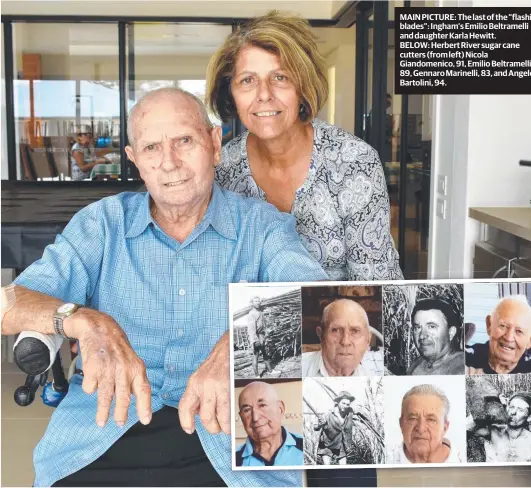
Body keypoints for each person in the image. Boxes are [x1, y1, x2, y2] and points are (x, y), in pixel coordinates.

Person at [1, 87, 328, 488]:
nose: (169, 163)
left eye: (184, 141)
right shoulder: (103, 224)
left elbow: (318, 299)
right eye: (152, 147)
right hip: (106, 426)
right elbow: (8, 303)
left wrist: (237, 349)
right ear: (135, 160)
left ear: (213, 143)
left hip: (225, 429)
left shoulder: (262, 227)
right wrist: (83, 320)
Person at [207, 11, 402, 283]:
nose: (264, 95)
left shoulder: (353, 162)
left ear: (302, 86)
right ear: (231, 93)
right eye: (247, 80)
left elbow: (377, 283)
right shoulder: (221, 169)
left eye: (280, 77)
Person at [303, 299, 384, 377]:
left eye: (355, 331)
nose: (345, 342)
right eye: (336, 330)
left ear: (368, 339)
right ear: (321, 335)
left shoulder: (381, 368)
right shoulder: (298, 368)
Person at [388, 384, 462, 464]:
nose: (421, 428)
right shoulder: (385, 460)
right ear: (401, 424)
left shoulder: (464, 460)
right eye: (412, 419)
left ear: (444, 428)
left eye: (431, 420)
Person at [466, 295, 531, 375]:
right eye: (503, 326)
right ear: (489, 325)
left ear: (530, 340)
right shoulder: (464, 359)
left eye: (519, 331)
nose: (509, 338)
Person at [236, 381, 303, 467]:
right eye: (247, 410)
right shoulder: (233, 459)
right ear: (241, 417)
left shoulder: (309, 448)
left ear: (280, 409)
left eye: (262, 405)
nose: (255, 418)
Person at [467, 392, 531, 462]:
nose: (513, 412)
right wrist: (497, 405)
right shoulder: (492, 432)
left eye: (520, 410)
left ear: (530, 417)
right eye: (511, 407)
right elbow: (464, 428)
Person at [407, 298, 465, 375]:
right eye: (417, 328)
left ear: (451, 333)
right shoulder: (415, 366)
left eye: (432, 326)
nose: (422, 336)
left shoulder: (463, 367)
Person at [314, 391, 355, 465]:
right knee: (327, 468)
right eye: (343, 403)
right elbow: (315, 428)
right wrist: (320, 425)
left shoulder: (349, 412)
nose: (345, 406)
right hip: (327, 444)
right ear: (338, 402)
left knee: (344, 469)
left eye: (347, 404)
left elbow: (349, 427)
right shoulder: (327, 413)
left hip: (340, 444)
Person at [247, 296, 280, 377]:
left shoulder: (261, 313)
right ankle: (257, 375)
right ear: (252, 303)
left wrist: (265, 334)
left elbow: (263, 325)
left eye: (258, 301)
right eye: (255, 301)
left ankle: (270, 370)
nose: (258, 302)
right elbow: (251, 330)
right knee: (256, 356)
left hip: (261, 336)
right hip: (256, 336)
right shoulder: (251, 314)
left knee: (265, 353)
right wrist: (254, 341)